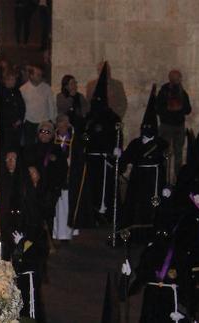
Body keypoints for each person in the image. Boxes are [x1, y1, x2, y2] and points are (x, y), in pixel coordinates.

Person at [73, 62, 121, 227]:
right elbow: (84, 135)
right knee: (90, 188)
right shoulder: (89, 117)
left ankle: (105, 214)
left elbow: (117, 134)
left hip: (105, 159)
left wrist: (116, 149)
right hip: (91, 160)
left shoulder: (113, 118)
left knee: (104, 190)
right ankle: (91, 214)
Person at [120, 85, 168, 241]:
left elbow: (166, 163)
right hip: (138, 178)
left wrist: (166, 186)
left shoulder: (162, 143)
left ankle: (153, 233)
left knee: (152, 206)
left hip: (154, 178)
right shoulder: (135, 143)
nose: (147, 129)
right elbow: (126, 158)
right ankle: (134, 232)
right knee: (136, 205)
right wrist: (119, 165)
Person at [12, 165, 49, 322]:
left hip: (31, 264)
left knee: (31, 300)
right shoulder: (23, 198)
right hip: (24, 258)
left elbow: (37, 243)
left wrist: (23, 244)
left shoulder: (35, 200)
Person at [24, 121, 66, 234]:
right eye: (42, 131)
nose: (44, 134)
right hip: (34, 188)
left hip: (50, 190)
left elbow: (62, 170)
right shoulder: (30, 148)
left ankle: (48, 241)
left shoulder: (57, 150)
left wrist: (55, 161)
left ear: (52, 135)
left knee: (47, 215)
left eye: (48, 132)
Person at [155, 69, 192, 176]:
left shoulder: (182, 92)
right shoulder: (163, 92)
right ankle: (162, 177)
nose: (179, 80)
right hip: (166, 126)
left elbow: (188, 109)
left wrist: (180, 108)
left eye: (179, 78)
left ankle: (178, 177)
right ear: (171, 79)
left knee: (178, 153)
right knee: (164, 152)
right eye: (177, 78)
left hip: (179, 126)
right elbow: (157, 108)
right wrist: (169, 109)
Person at [20, 65, 56, 146]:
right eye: (38, 75)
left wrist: (52, 120)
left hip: (45, 122)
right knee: (30, 145)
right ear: (31, 76)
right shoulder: (23, 89)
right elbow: (22, 107)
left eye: (41, 75)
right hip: (30, 123)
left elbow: (51, 105)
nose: (40, 77)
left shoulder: (47, 88)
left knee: (45, 144)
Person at [0, 150, 22, 260]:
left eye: (13, 159)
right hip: (5, 218)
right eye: (8, 159)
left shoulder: (23, 178)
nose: (10, 161)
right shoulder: (2, 178)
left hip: (20, 218)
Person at [0, 69, 26, 152]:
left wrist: (20, 119)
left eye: (14, 80)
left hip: (17, 126)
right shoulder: (1, 93)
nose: (13, 82)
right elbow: (1, 110)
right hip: (6, 127)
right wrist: (10, 122)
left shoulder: (17, 91)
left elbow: (22, 107)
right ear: (6, 80)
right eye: (11, 79)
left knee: (16, 147)